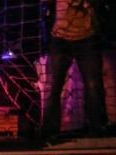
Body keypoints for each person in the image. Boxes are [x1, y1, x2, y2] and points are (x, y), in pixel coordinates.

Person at [42, 0, 108, 138]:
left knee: (93, 85)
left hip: (88, 37)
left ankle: (98, 128)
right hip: (60, 38)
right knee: (54, 86)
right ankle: (49, 130)